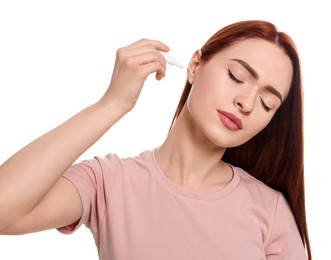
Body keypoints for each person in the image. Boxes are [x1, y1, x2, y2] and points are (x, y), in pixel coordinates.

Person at [0, 20, 311, 259]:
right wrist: (113, 103)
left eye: (267, 103)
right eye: (236, 77)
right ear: (195, 66)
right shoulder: (108, 183)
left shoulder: (270, 212)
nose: (246, 102)